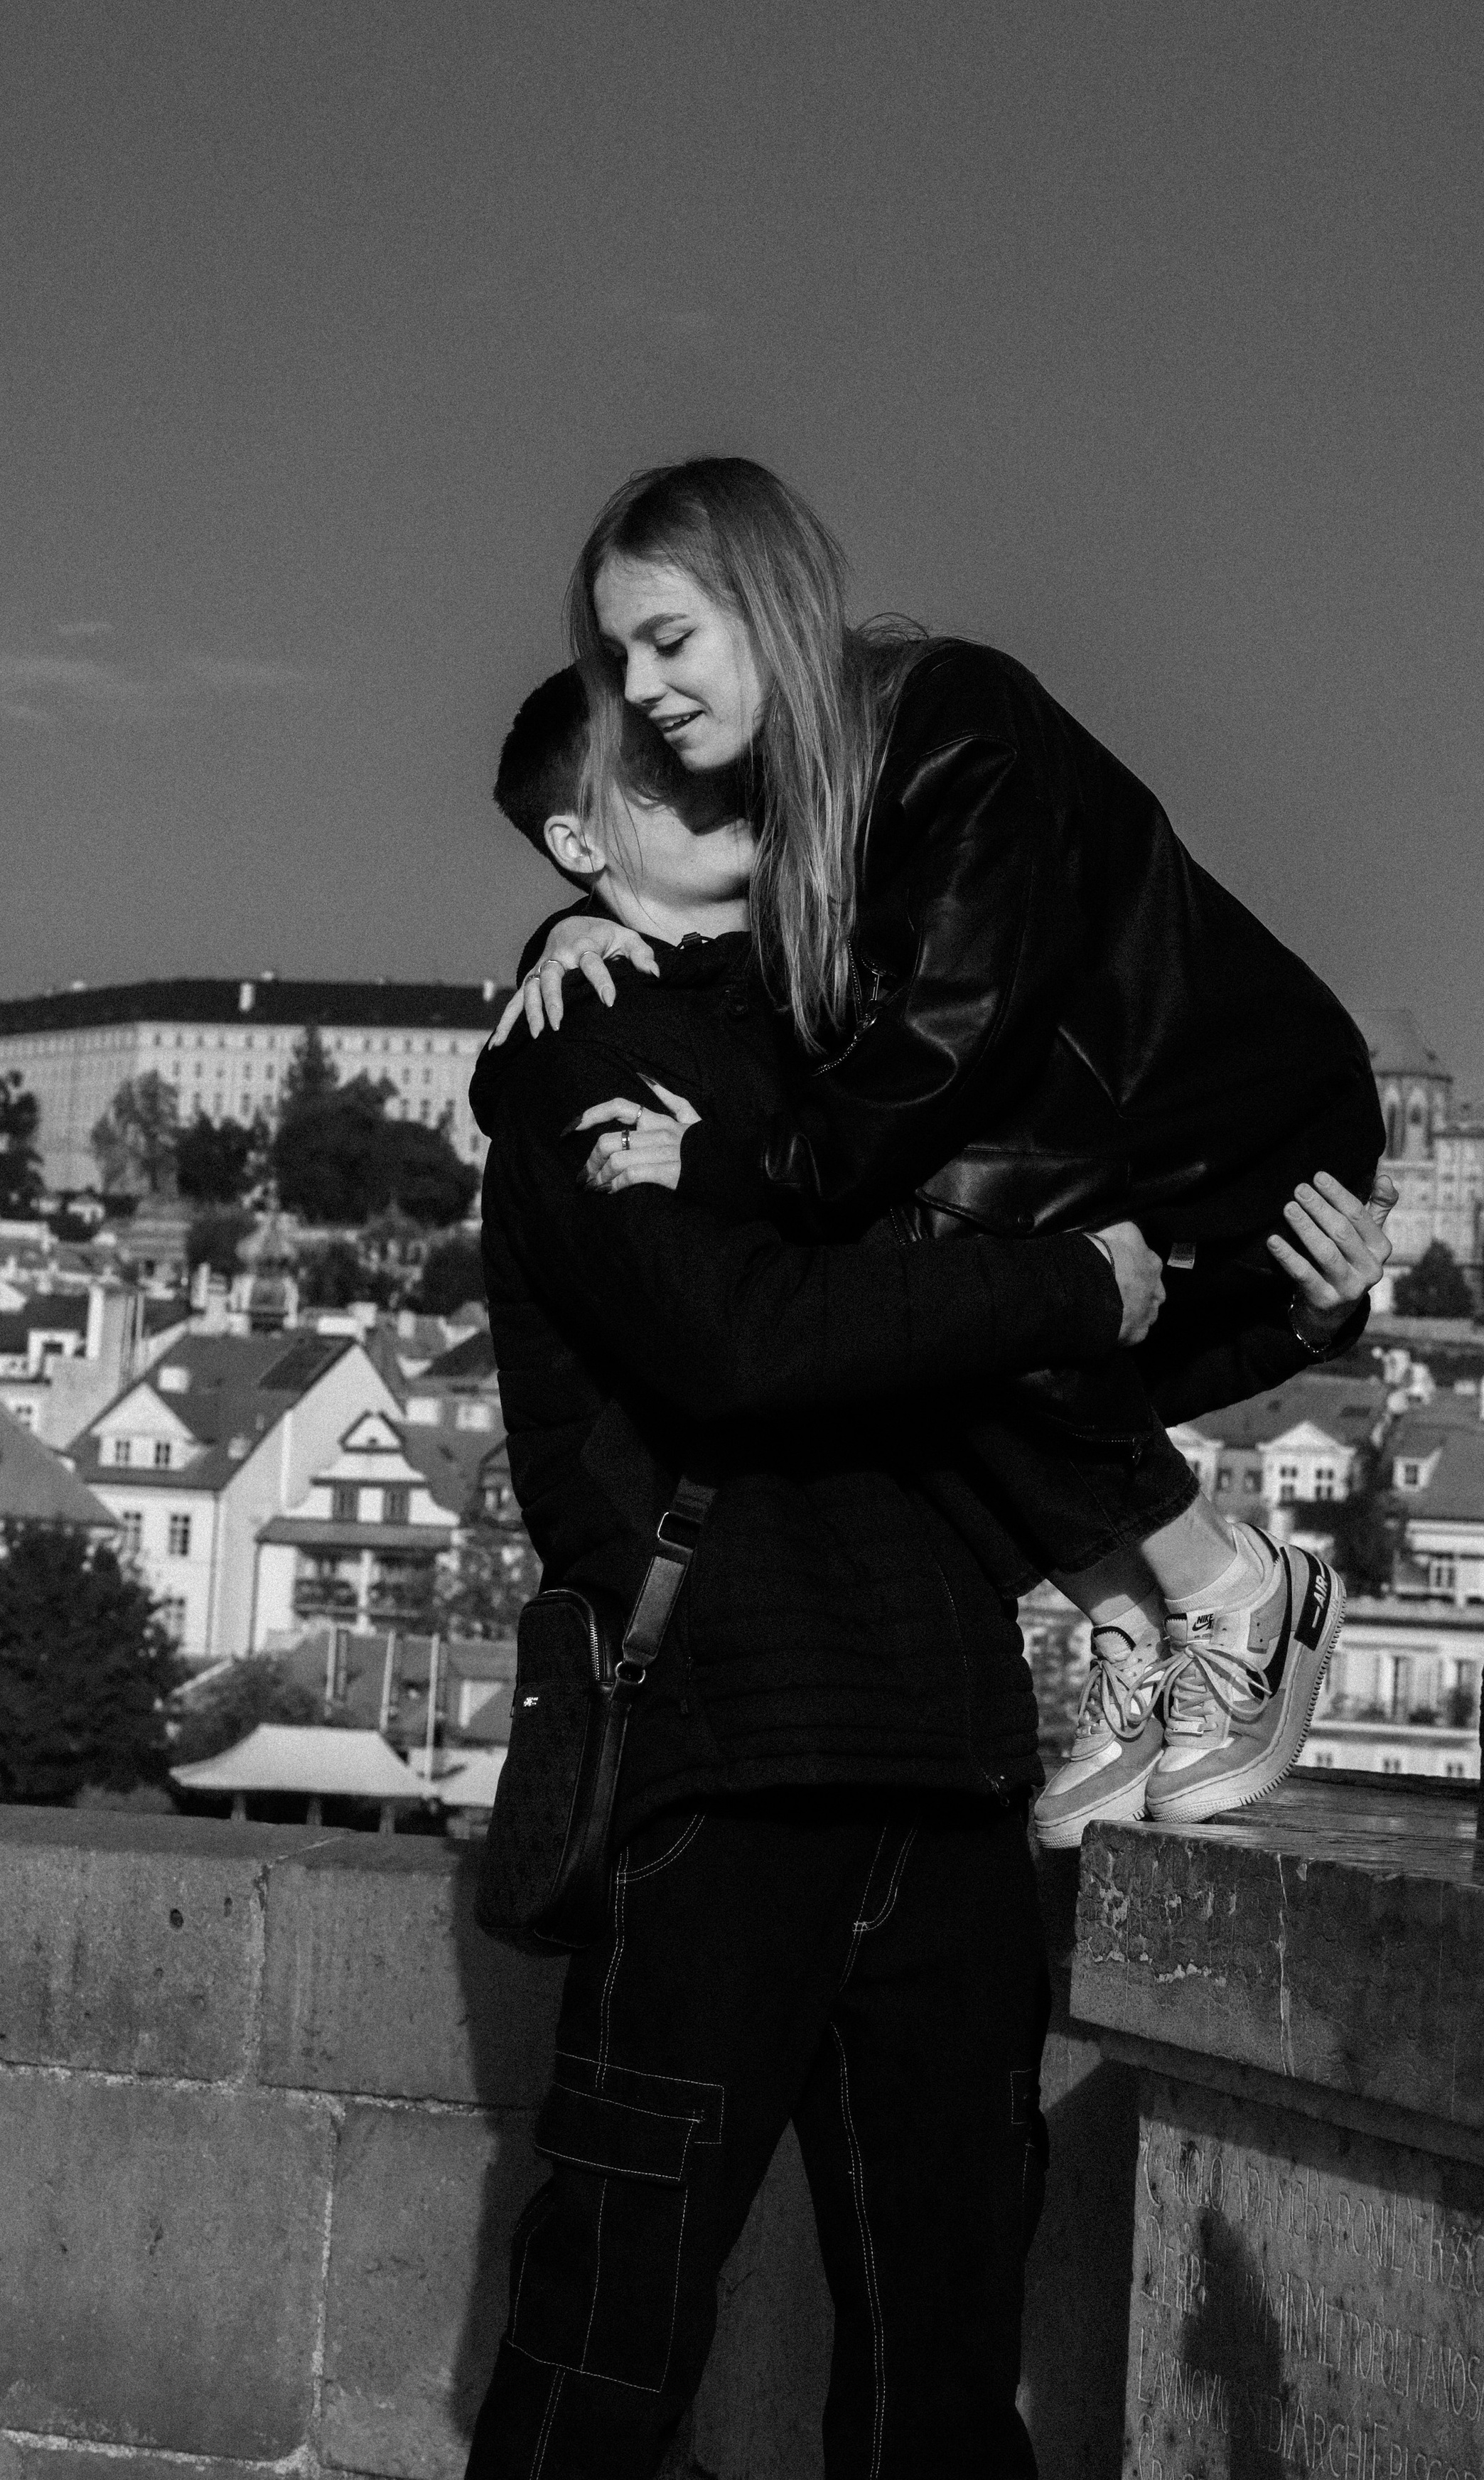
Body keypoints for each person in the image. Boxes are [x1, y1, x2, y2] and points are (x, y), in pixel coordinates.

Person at [467, 672, 1193, 2475]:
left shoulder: (848, 1035)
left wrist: (1262, 1291)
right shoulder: (573, 1045)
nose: (704, 760)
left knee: (947, 2383)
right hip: (726, 1765)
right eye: (647, 765)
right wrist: (1060, 1286)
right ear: (580, 839)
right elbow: (737, 1343)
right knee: (607, 2355)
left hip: (944, 1764)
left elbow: (1013, 1321)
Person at [504, 457, 1394, 1837]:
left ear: (770, 601)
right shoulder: (794, 825)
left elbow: (940, 1049)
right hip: (1072, 1177)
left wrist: (741, 1168)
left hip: (1228, 1132)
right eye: (617, 659)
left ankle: (1230, 1585)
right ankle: (1129, 1624)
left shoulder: (951, 724)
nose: (642, 688)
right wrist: (577, 926)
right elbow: (762, 1050)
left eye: (668, 639)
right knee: (881, 1284)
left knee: (882, 1228)